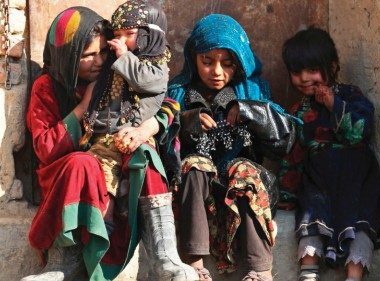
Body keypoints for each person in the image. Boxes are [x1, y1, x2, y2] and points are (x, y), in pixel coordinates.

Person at [22, 6, 197, 281]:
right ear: (66, 55)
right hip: (67, 173)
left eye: (103, 51)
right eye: (87, 55)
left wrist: (147, 128)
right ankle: (64, 263)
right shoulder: (47, 86)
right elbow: (45, 148)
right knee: (84, 163)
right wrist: (82, 107)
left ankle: (165, 257)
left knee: (144, 154)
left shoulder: (117, 71)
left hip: (115, 165)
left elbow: (165, 101)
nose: (100, 60)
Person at [168, 14, 297, 281]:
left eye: (227, 64)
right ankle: (194, 263)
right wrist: (187, 123)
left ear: (239, 64)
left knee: (243, 171)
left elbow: (285, 139)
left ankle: (260, 269)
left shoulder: (252, 90)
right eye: (207, 62)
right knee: (194, 166)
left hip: (243, 186)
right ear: (194, 57)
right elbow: (162, 141)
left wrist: (251, 111)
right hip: (198, 192)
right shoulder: (179, 92)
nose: (216, 71)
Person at [279, 27, 380, 281]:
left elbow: (359, 133)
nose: (304, 78)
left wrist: (333, 104)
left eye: (312, 70)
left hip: (355, 178)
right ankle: (308, 273)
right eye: (297, 72)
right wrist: (287, 192)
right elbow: (294, 152)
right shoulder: (298, 110)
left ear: (332, 66)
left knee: (361, 224)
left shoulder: (351, 96)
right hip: (318, 181)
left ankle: (354, 276)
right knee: (310, 219)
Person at [79, 0, 171, 234]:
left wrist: (122, 56)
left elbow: (143, 80)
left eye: (129, 34)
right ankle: (99, 220)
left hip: (135, 133)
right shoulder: (118, 60)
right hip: (109, 133)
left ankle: (152, 239)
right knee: (96, 168)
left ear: (150, 35)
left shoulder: (157, 66)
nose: (120, 41)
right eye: (116, 35)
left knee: (130, 170)